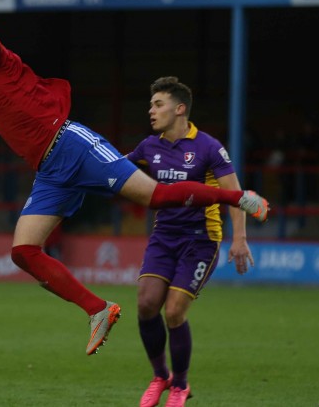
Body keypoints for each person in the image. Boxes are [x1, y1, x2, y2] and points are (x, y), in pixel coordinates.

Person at [0, 17, 269, 356]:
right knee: (23, 251)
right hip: (49, 171)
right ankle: (99, 309)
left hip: (70, 144)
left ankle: (240, 198)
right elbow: (6, 102)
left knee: (156, 197)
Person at [127, 76, 255, 407]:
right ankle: (160, 377)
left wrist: (239, 239)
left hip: (200, 240)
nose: (151, 111)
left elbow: (235, 194)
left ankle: (181, 386)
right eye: (150, 105)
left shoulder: (209, 147)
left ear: (179, 108)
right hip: (164, 237)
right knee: (145, 304)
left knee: (173, 311)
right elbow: (114, 171)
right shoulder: (148, 147)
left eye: (158, 104)